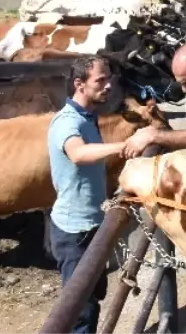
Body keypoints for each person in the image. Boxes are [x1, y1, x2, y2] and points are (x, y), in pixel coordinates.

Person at [47, 57, 126, 334]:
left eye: (109, 79)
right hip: (74, 232)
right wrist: (125, 145)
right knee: (81, 310)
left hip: (91, 224)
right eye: (100, 81)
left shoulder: (88, 117)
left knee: (93, 296)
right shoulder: (67, 122)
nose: (108, 86)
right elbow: (78, 154)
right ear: (79, 85)